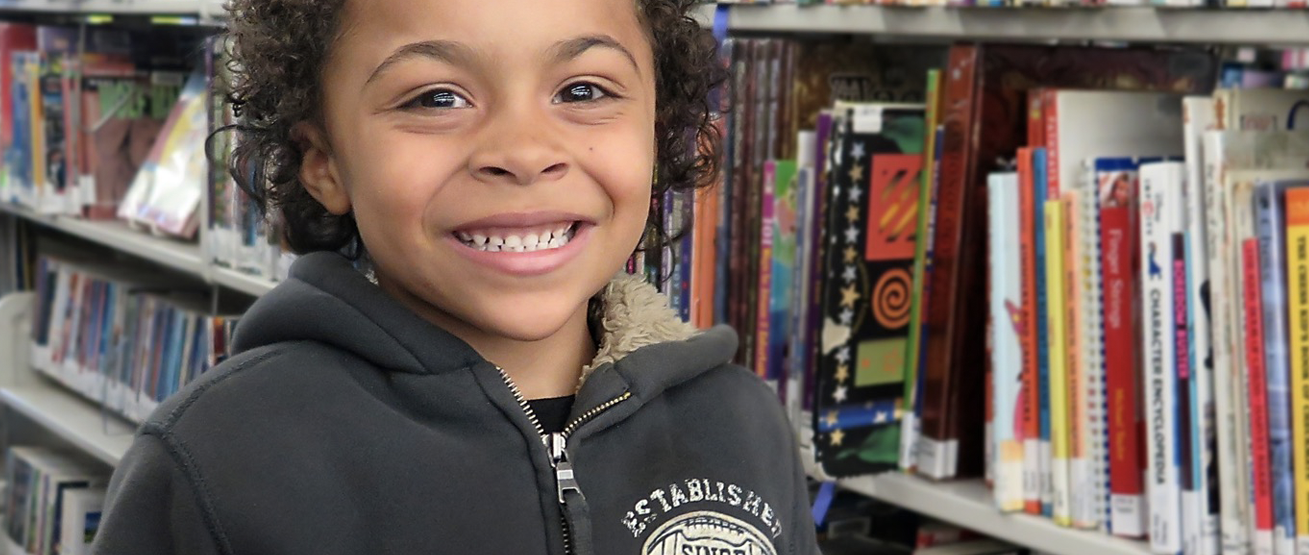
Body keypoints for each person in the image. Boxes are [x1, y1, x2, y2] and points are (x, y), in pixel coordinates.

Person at [91, 0, 818, 553]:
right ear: (324, 162)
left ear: (659, 129)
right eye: (436, 98)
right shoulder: (217, 458)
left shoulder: (743, 423)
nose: (525, 152)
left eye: (585, 90)